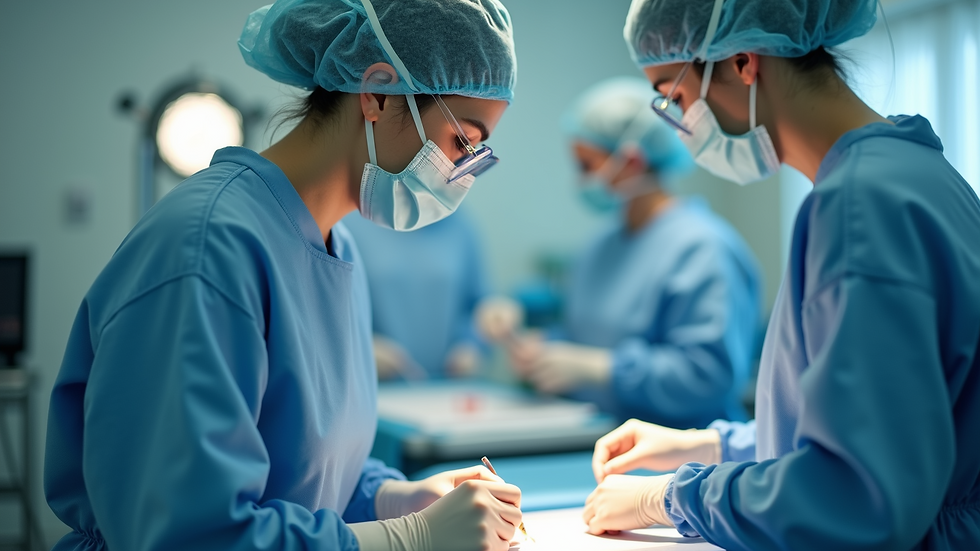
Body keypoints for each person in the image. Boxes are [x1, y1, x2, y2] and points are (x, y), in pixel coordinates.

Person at [43, 1, 524, 550]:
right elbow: (189, 533)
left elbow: (310, 474)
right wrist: (407, 539)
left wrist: (393, 498)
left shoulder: (335, 247)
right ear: (378, 93)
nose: (461, 172)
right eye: (462, 142)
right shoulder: (206, 247)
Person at [583, 1, 980, 550]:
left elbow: (858, 495)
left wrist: (673, 496)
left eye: (675, 98)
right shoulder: (916, 173)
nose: (682, 127)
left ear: (743, 61)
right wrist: (710, 446)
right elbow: (888, 427)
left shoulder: (859, 205)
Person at [480, 77, 761, 430]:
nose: (580, 180)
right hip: (604, 439)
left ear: (631, 161)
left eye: (587, 165)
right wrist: (537, 344)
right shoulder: (603, 244)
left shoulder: (705, 249)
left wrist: (605, 370)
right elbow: (582, 325)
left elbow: (709, 377)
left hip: (685, 452)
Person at [343, 207, 490, 380]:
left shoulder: (458, 223)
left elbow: (479, 305)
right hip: (372, 383)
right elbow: (328, 313)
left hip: (447, 386)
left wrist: (470, 345)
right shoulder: (350, 222)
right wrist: (360, 347)